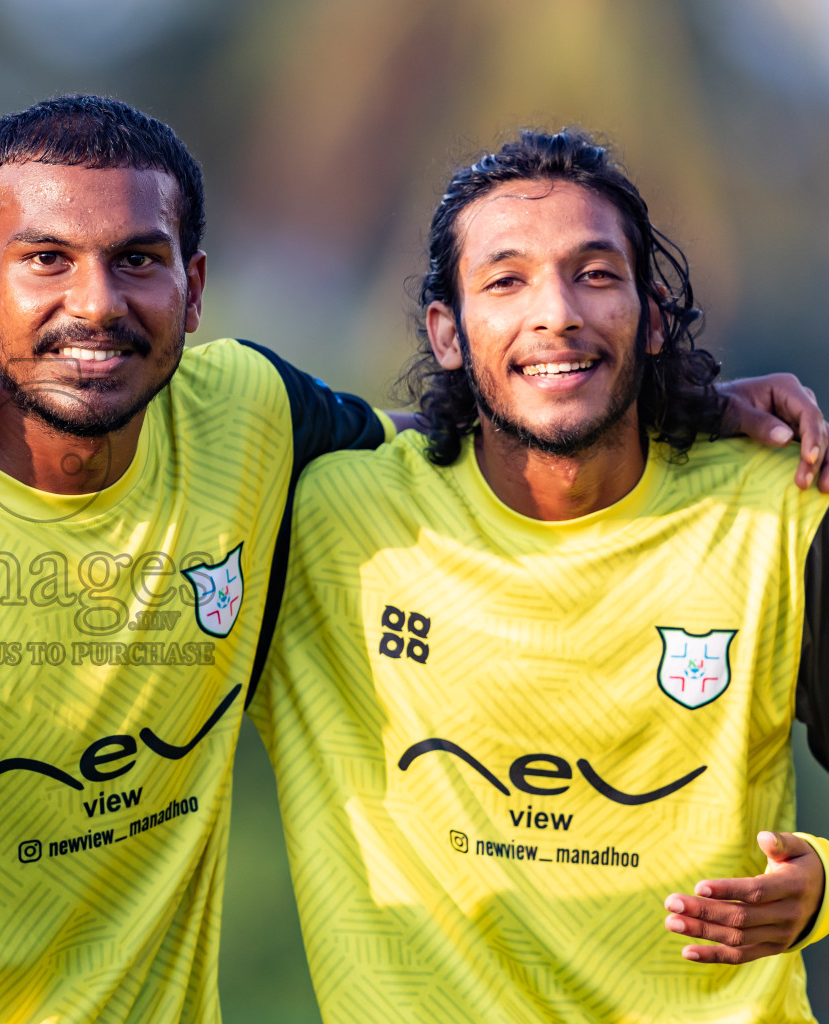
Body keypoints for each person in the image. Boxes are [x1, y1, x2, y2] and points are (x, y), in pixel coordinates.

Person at [0, 95, 822, 1021]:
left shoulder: (262, 422)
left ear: (192, 286)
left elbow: (517, 434)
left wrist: (682, 404)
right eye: (45, 258)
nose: (95, 302)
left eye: (137, 259)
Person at [252, 128, 829, 1022]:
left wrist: (824, 881)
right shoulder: (329, 521)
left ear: (653, 315)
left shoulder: (781, 514)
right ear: (447, 332)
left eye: (596, 274)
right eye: (506, 280)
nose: (556, 312)